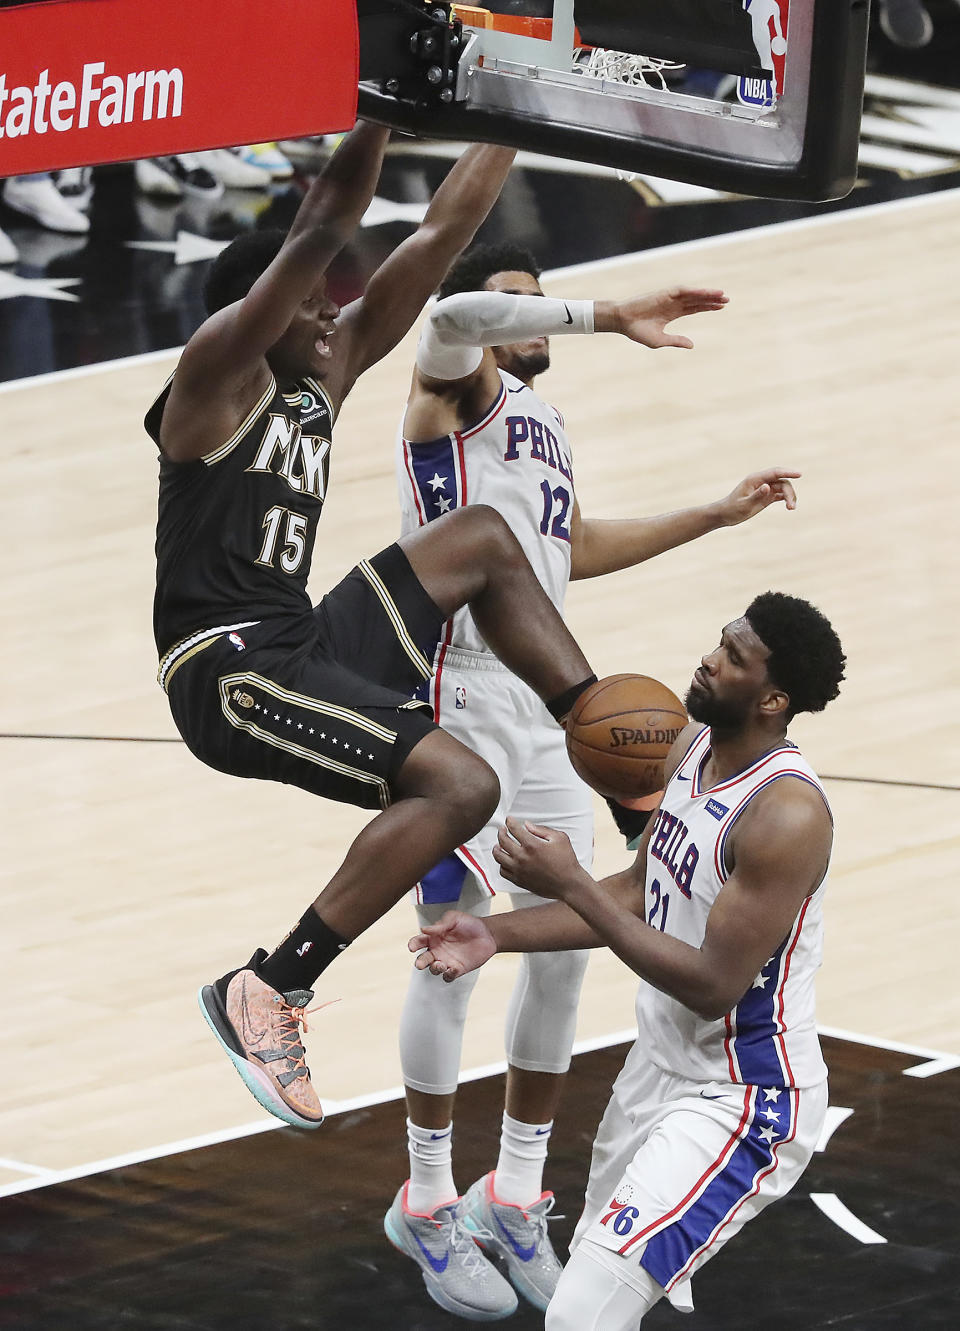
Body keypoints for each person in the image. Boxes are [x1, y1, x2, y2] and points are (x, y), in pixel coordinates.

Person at [146, 122, 617, 1157]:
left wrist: (508, 112)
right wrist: (376, 114)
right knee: (462, 784)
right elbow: (322, 222)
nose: (333, 315)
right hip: (224, 667)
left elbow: (444, 233)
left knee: (483, 539)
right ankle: (272, 982)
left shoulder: (329, 370)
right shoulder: (210, 381)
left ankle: (610, 741)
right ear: (253, 311)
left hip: (296, 633)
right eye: (314, 302)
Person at [385, 241, 802, 1319]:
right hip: (457, 698)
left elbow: (568, 554)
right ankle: (426, 1198)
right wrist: (606, 311)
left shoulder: (545, 425)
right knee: (449, 951)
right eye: (520, 302)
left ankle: (513, 1190)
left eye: (545, 301)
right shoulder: (446, 390)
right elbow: (454, 317)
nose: (535, 316)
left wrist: (713, 514)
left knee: (566, 940)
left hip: (549, 699)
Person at [411, 592, 845, 1329]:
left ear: (773, 699)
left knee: (580, 1315)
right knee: (594, 1302)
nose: (710, 658)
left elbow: (712, 985)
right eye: (721, 639)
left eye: (735, 657)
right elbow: (641, 891)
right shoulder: (689, 748)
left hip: (744, 1100)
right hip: (657, 1068)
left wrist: (570, 881)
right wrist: (498, 937)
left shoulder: (786, 815)